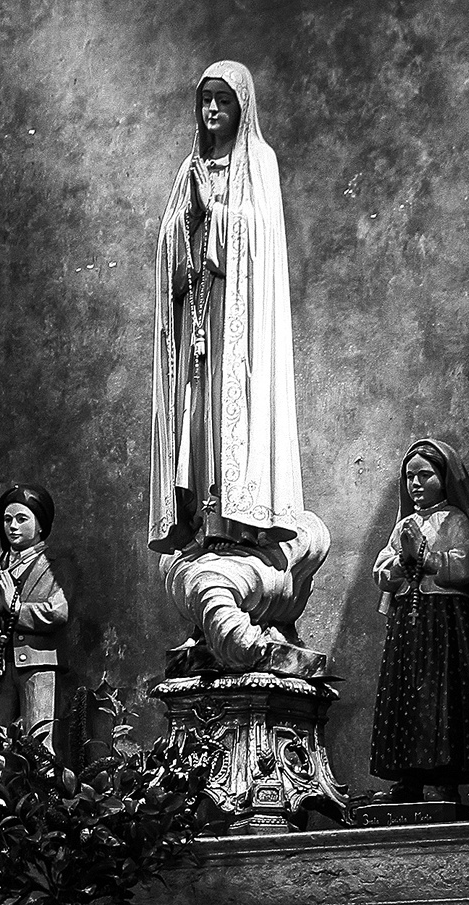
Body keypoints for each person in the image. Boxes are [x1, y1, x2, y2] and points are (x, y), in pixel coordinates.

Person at [148, 61, 307, 555]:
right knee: (194, 406)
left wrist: (213, 211)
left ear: (242, 107)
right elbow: (168, 247)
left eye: (223, 100)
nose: (212, 109)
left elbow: (260, 239)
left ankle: (237, 522)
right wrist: (189, 217)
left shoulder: (259, 161)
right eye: (206, 100)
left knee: (228, 404)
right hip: (195, 313)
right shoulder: (189, 170)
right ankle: (201, 517)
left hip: (236, 317)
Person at [367, 437, 469, 802]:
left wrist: (428, 558)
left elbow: (464, 565)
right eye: (409, 477)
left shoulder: (456, 520)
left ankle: (445, 777)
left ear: (443, 478)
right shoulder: (403, 525)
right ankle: (409, 777)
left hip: (444, 622)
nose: (416, 484)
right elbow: (382, 570)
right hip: (408, 621)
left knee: (442, 695)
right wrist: (401, 562)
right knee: (404, 694)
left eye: (425, 475)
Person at [0, 484, 70, 750]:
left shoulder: (55, 566)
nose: (12, 526)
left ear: (41, 524)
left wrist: (15, 607)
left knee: (39, 744)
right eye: (7, 519)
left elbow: (58, 612)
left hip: (38, 665)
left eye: (22, 519)